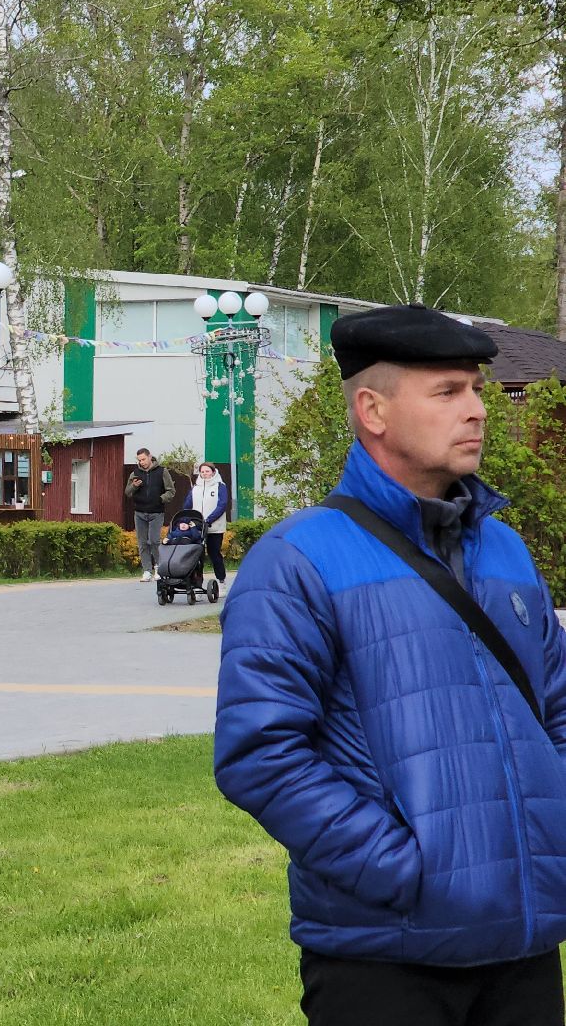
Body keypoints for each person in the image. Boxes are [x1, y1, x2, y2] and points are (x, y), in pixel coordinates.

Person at [215, 303, 566, 1025]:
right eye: (448, 392)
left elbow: (557, 710)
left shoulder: (507, 553)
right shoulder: (298, 560)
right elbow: (261, 752)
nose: (477, 410)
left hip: (525, 945)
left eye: (476, 390)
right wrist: (400, 869)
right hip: (384, 956)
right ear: (372, 410)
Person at [183, 462, 230, 594]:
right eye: (202, 472)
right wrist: (186, 519)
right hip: (197, 528)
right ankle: (197, 585)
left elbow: (222, 505)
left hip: (214, 527)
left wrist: (209, 519)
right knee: (197, 557)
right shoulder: (195, 488)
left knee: (214, 554)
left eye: (207, 471)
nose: (204, 474)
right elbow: (187, 505)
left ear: (213, 472)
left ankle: (221, 582)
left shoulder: (220, 486)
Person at [126, 448, 168, 580]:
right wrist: (134, 486)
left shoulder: (162, 471)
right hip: (140, 512)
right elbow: (127, 492)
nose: (142, 462)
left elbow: (171, 491)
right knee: (142, 542)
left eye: (144, 459)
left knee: (154, 541)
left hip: (156, 512)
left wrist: (161, 499)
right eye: (139, 460)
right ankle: (147, 570)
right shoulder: (135, 473)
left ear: (150, 457)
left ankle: (159, 568)